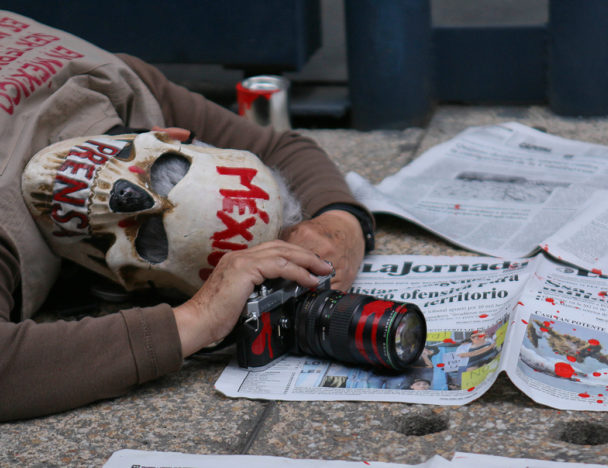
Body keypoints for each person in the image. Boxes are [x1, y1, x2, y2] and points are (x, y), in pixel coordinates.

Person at [0, 11, 373, 421]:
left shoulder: (116, 85)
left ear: (129, 279)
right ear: (170, 134)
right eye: (162, 176)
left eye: (149, 236)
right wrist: (199, 318)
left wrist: (338, 227)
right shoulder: (122, 84)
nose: (130, 200)